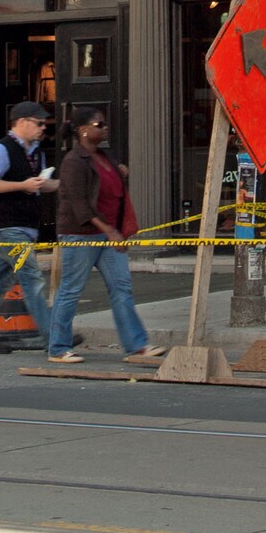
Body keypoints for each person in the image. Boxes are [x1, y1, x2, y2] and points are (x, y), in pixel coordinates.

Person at [44, 107, 166, 365]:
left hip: (110, 234)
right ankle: (58, 347)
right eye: (99, 124)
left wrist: (121, 175)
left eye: (104, 123)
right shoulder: (73, 161)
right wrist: (109, 231)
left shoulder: (104, 157)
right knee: (71, 290)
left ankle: (136, 345)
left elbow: (112, 192)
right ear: (83, 130)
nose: (105, 127)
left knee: (122, 287)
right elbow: (80, 206)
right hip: (82, 234)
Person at [0, 100, 56, 354]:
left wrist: (59, 184)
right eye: (38, 123)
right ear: (21, 122)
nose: (43, 128)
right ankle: (54, 338)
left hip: (24, 227)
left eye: (44, 124)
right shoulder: (0, 150)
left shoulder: (37, 152)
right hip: (6, 228)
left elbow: (39, 184)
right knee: (32, 279)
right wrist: (22, 185)